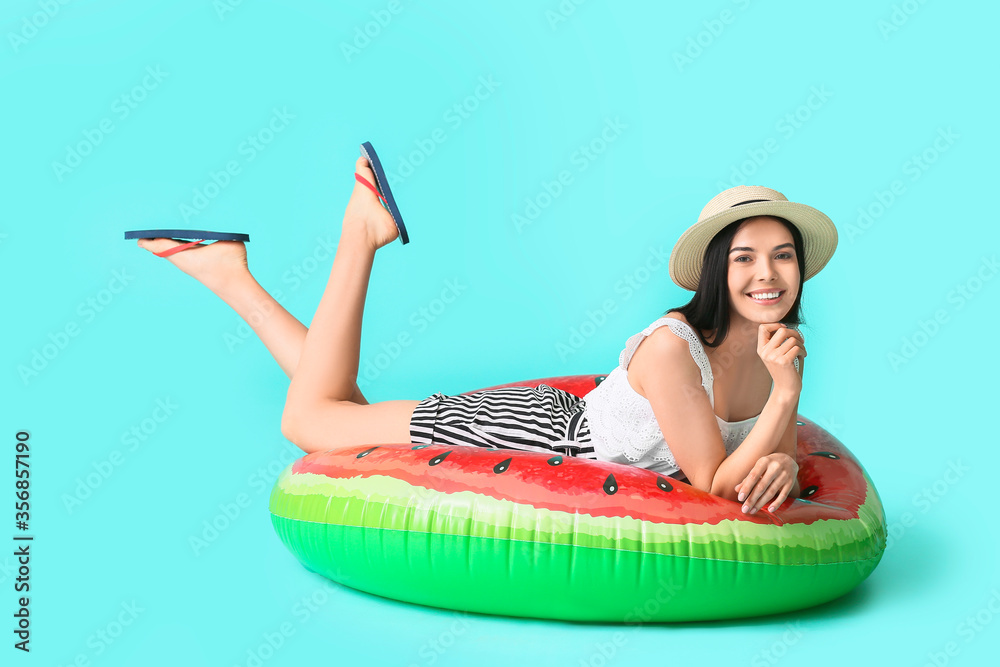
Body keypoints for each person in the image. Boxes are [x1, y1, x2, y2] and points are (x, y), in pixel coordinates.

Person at [135, 148, 836, 517]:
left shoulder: (770, 343)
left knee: (344, 406)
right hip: (544, 433)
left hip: (575, 426)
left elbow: (763, 460)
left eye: (781, 256)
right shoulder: (673, 349)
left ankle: (230, 275)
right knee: (313, 419)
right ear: (716, 268)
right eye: (744, 257)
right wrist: (786, 396)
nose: (765, 275)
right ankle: (361, 229)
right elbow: (716, 483)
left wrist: (780, 422)